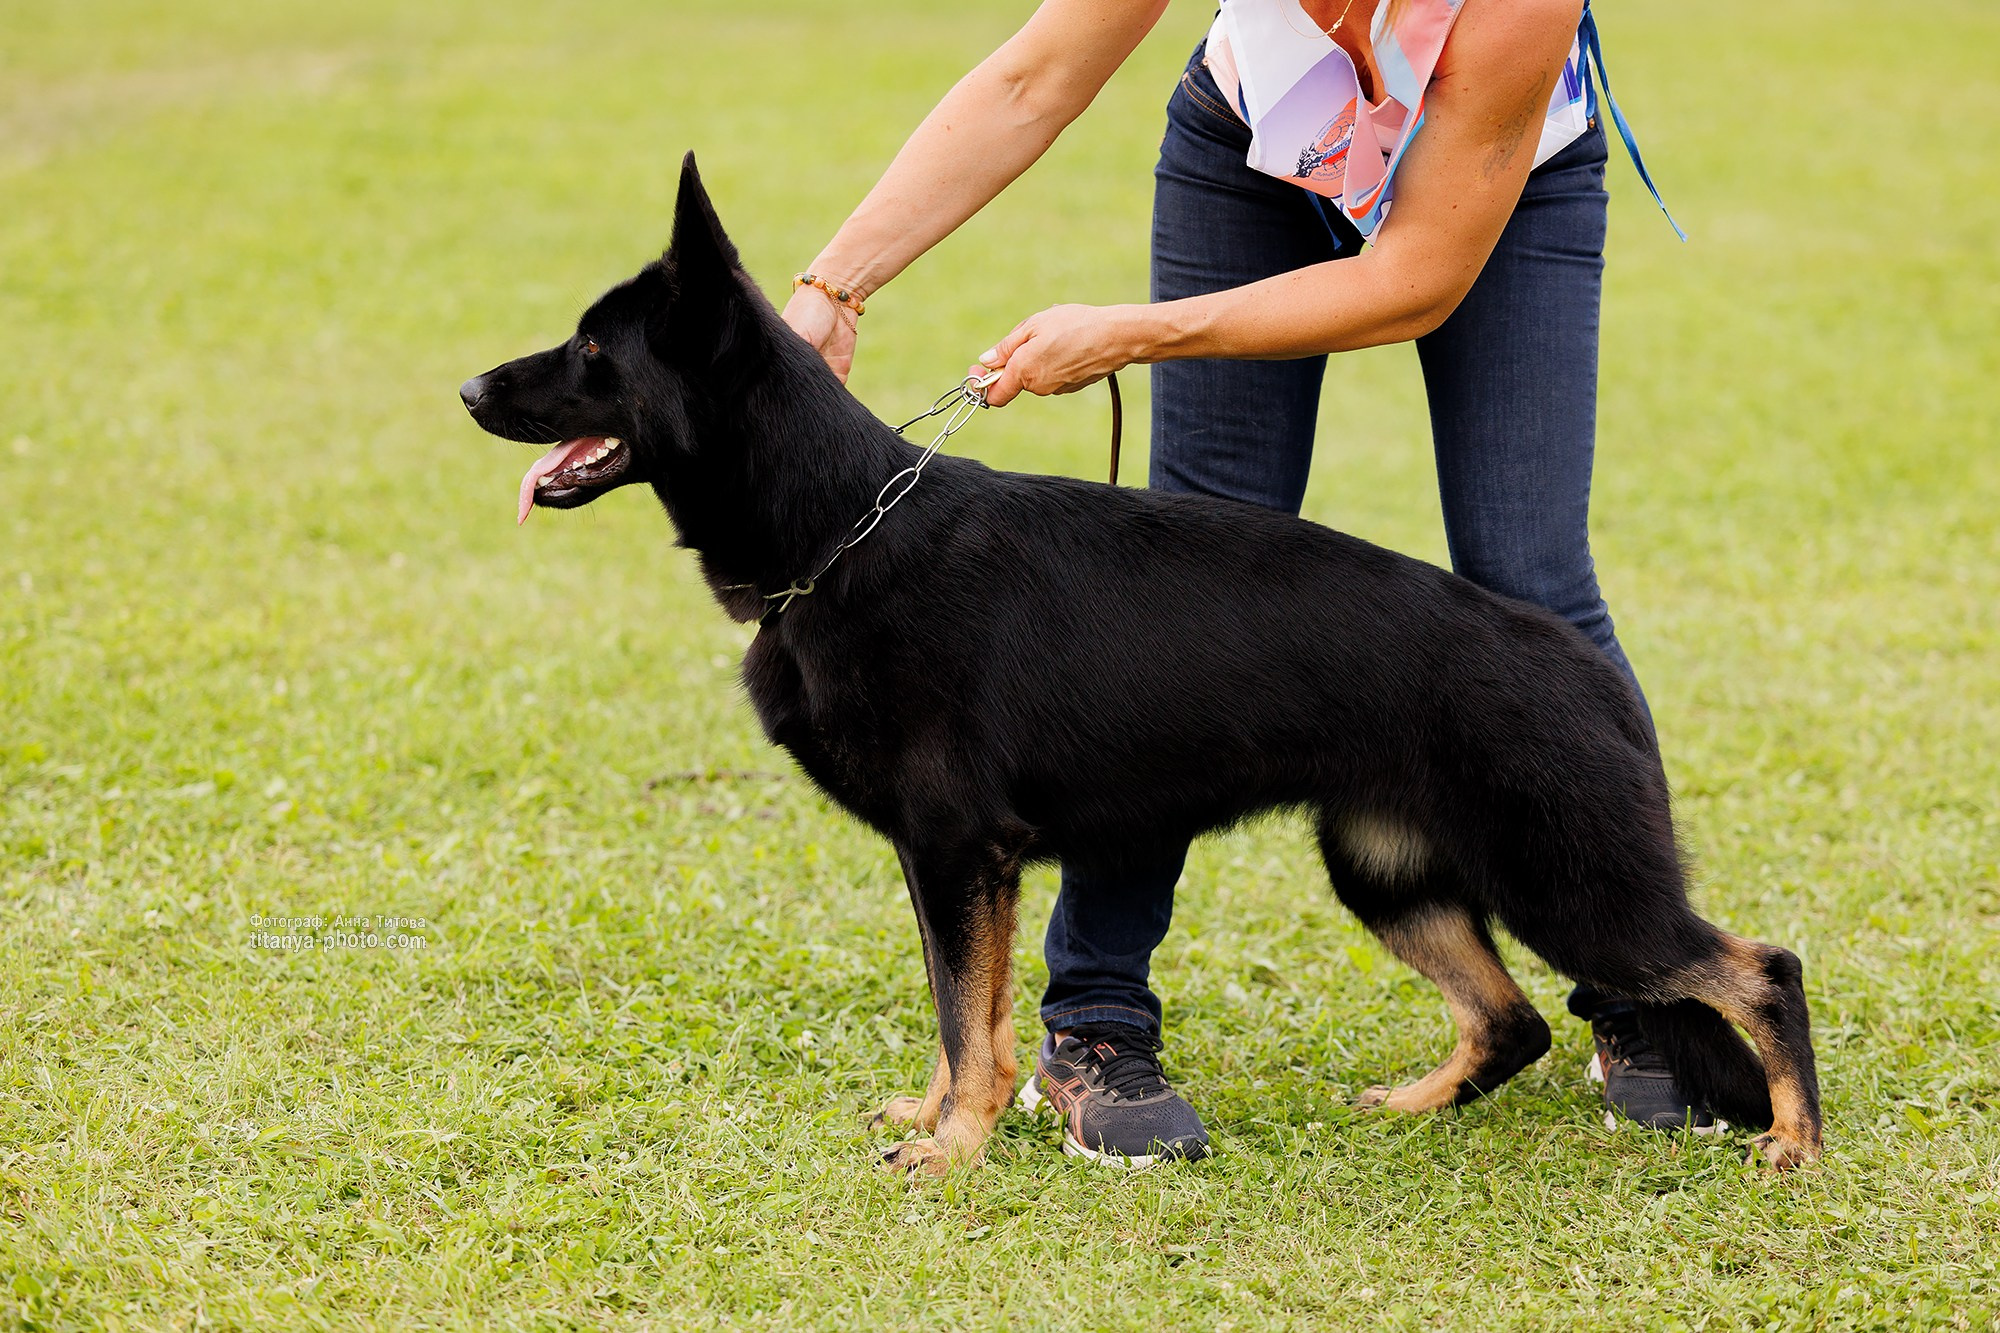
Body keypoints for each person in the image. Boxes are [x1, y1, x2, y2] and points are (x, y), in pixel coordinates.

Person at [783, 0, 1716, 1167]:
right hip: (1253, 155)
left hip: (1504, 183)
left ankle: (1643, 992)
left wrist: (1139, 331)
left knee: (1529, 576)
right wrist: (835, 284)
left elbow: (1413, 281)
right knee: (1176, 595)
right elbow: (1031, 79)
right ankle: (1097, 1019)